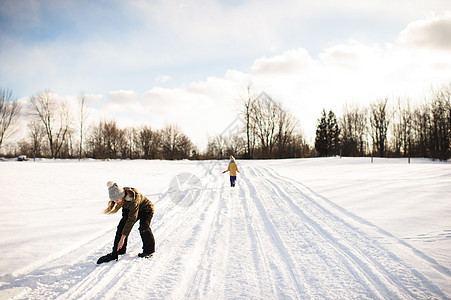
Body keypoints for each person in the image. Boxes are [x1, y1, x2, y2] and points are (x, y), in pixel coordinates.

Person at [97, 181, 155, 264]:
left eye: (117, 200)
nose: (115, 202)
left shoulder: (133, 199)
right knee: (121, 227)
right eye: (113, 201)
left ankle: (149, 250)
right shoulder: (121, 198)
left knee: (144, 227)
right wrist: (114, 253)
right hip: (132, 210)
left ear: (122, 197)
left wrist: (123, 238)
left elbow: (131, 220)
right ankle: (119, 251)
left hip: (146, 209)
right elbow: (125, 219)